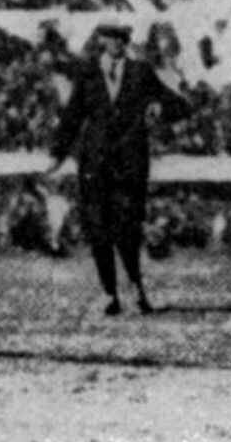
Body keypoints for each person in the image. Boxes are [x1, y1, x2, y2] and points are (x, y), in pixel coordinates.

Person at [46, 22, 192, 316]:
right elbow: (73, 115)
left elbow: (180, 105)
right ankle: (109, 293)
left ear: (126, 42)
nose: (116, 44)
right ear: (101, 40)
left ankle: (136, 288)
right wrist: (57, 155)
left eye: (121, 39)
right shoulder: (88, 72)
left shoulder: (141, 72)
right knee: (98, 228)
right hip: (95, 161)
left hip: (130, 162)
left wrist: (161, 108)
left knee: (127, 228)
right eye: (110, 38)